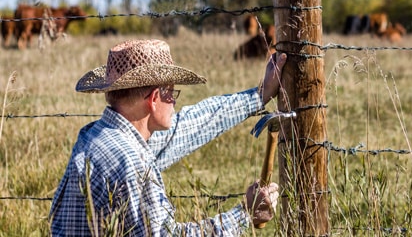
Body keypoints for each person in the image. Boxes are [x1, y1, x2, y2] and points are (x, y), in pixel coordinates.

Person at [49, 39, 287, 236]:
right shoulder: (132, 162)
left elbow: (189, 126)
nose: (174, 102)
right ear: (154, 99)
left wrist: (258, 96)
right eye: (172, 93)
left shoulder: (96, 136)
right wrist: (244, 214)